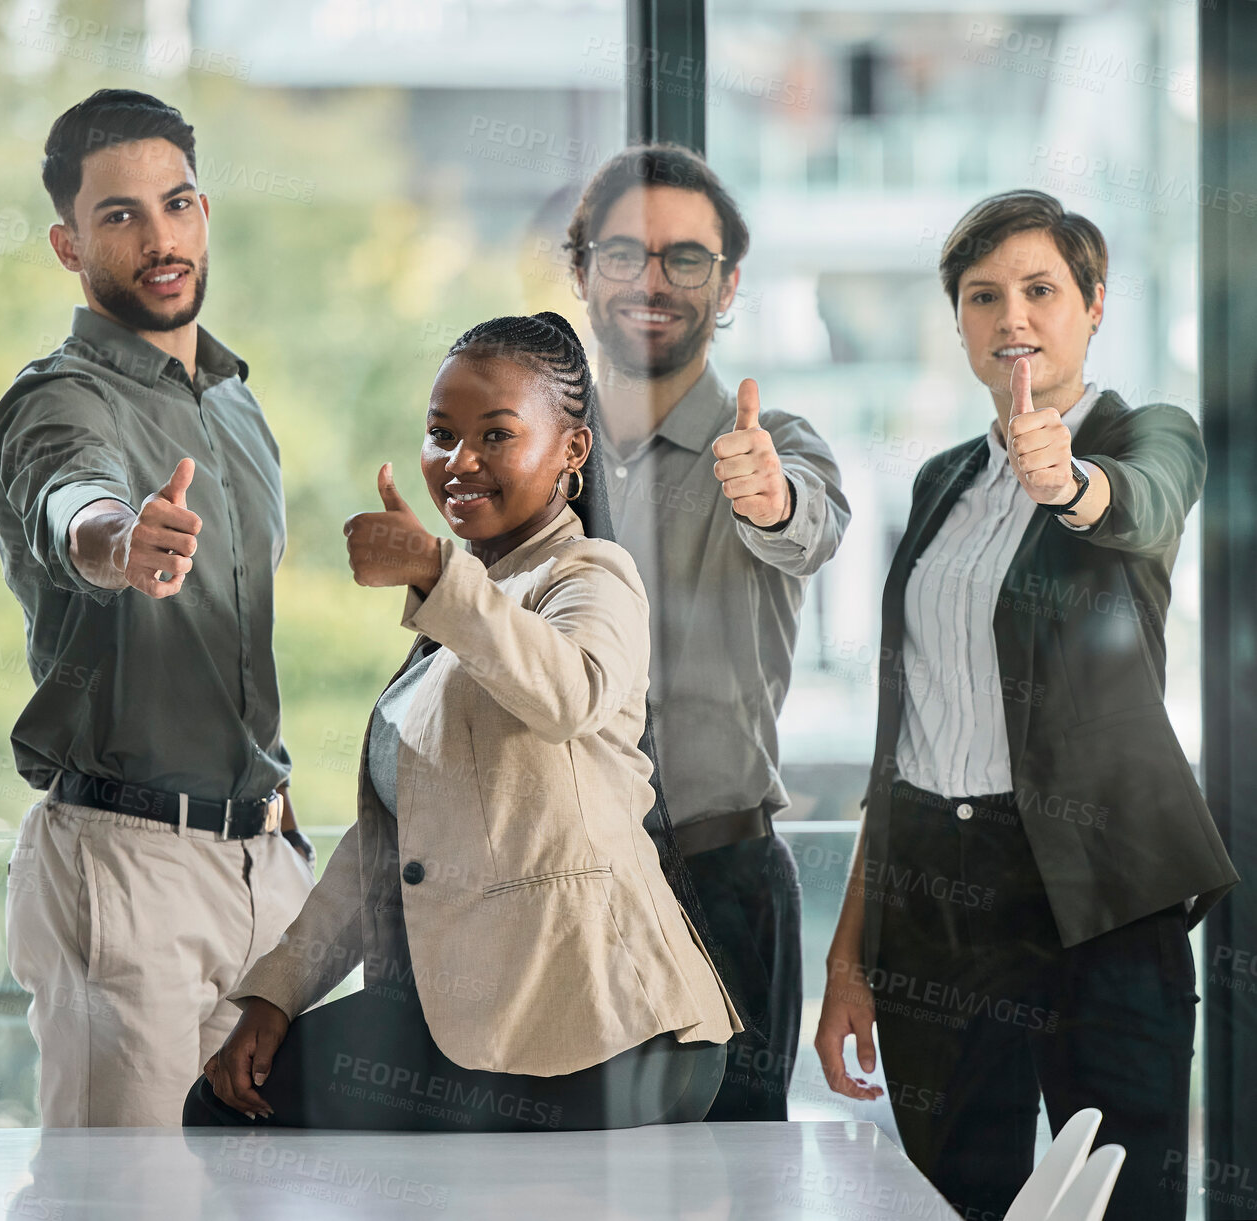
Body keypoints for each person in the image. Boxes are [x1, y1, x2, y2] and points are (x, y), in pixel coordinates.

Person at [182, 312, 742, 1131]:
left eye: (495, 434)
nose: (459, 461)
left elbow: (569, 691)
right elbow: (383, 853)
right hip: (476, 1022)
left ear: (572, 451)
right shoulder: (455, 617)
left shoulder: (590, 575)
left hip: (611, 1029)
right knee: (227, 1104)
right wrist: (276, 990)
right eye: (440, 433)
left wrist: (434, 569)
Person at [814, 189, 1238, 1221]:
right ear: (956, 321)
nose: (1010, 316)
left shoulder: (1148, 434)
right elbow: (904, 737)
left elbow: (1142, 503)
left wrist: (1072, 483)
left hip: (1096, 893)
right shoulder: (938, 480)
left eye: (1039, 289)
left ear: (1092, 305)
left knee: (1122, 1195)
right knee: (949, 1194)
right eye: (981, 295)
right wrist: (848, 958)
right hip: (932, 896)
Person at [0, 89, 314, 1129]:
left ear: (204, 213)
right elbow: (68, 498)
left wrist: (282, 824)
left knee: (266, 1194)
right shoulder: (57, 400)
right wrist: (117, 541)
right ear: (67, 245)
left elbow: (233, 649)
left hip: (265, 869)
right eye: (118, 215)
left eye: (175, 205)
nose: (158, 236)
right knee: (121, 1199)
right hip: (127, 871)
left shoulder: (236, 403)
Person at [565, 144, 850, 1120]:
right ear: (582, 271)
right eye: (622, 254)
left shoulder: (774, 444)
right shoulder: (536, 457)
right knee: (552, 1178)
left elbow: (805, 522)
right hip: (557, 888)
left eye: (684, 258)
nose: (651, 281)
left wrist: (766, 498)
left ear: (726, 285)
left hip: (719, 881)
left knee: (732, 1183)